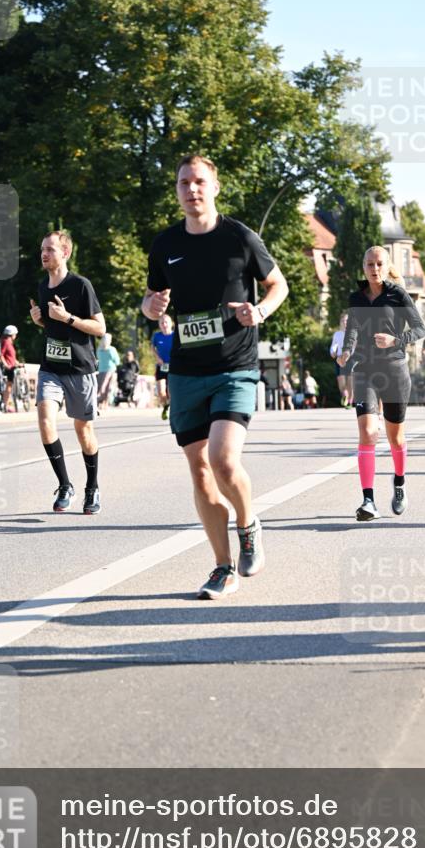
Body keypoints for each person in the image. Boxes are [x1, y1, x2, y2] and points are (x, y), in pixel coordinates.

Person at [142, 154, 288, 599]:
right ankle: (222, 566)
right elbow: (151, 299)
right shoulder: (165, 245)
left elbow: (278, 285)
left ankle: (248, 525)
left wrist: (259, 311)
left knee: (224, 459)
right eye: (184, 182)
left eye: (200, 182)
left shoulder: (240, 237)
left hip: (234, 366)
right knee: (201, 472)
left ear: (215, 187)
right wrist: (152, 309)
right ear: (177, 190)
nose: (192, 190)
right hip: (187, 371)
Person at [338, 245, 425, 522]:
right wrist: (347, 350)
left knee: (395, 437)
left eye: (378, 264)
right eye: (369, 264)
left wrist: (395, 341)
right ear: (363, 267)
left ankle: (399, 483)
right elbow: (352, 327)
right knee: (367, 432)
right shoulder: (357, 297)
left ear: (387, 267)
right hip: (364, 371)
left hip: (395, 370)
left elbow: (420, 328)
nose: (373, 269)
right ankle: (368, 500)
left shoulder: (397, 294)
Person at [29, 230, 106, 513]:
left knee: (83, 431)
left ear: (65, 253)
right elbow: (53, 327)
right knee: (45, 420)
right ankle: (65, 484)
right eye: (42, 249)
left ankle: (92, 488)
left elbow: (100, 328)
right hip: (51, 367)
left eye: (50, 248)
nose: (44, 253)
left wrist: (69, 318)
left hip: (80, 368)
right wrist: (40, 321)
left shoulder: (81, 285)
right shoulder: (43, 287)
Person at [152, 313, 174, 420]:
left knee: (170, 391)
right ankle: (165, 406)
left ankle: (171, 408)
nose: (164, 324)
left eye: (166, 322)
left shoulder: (175, 336)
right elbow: (153, 348)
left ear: (171, 324)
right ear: (159, 325)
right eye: (162, 323)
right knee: (161, 392)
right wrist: (158, 358)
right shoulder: (157, 336)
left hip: (173, 366)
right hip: (161, 366)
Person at [329, 312, 353, 407]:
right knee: (341, 382)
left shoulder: (353, 333)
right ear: (340, 322)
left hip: (351, 359)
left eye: (346, 320)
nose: (345, 322)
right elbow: (333, 346)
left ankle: (350, 402)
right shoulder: (337, 334)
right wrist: (332, 352)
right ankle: (345, 396)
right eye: (343, 320)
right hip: (340, 359)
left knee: (350, 382)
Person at [96, 333, 120, 407]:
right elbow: (117, 361)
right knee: (108, 387)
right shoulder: (111, 349)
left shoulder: (98, 349)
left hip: (101, 370)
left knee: (101, 386)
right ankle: (105, 403)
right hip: (110, 370)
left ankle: (100, 402)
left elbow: (97, 358)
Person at [0, 324, 19, 413]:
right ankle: (6, 405)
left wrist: (17, 362)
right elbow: (1, 355)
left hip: (12, 367)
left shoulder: (9, 342)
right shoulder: (6, 342)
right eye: (15, 334)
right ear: (12, 334)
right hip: (8, 368)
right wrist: (5, 365)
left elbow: (11, 357)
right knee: (8, 387)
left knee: (9, 387)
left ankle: (7, 405)